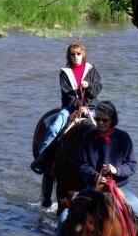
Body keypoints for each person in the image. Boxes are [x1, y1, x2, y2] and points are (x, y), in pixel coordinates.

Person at [49, 101, 138, 236]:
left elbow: (131, 165)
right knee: (64, 218)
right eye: (98, 119)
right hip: (92, 187)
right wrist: (96, 176)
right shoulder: (88, 138)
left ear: (113, 120)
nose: (101, 123)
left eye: (105, 120)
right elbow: (82, 164)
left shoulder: (124, 138)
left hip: (119, 187)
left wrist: (115, 171)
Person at [31, 42, 102, 174]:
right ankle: (42, 158)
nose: (76, 56)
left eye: (78, 54)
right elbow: (68, 95)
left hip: (90, 107)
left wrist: (89, 86)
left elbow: (98, 88)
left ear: (83, 54)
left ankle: (105, 163)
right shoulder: (65, 73)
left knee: (104, 129)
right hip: (70, 107)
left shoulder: (91, 69)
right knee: (55, 127)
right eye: (73, 54)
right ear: (69, 56)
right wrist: (78, 107)